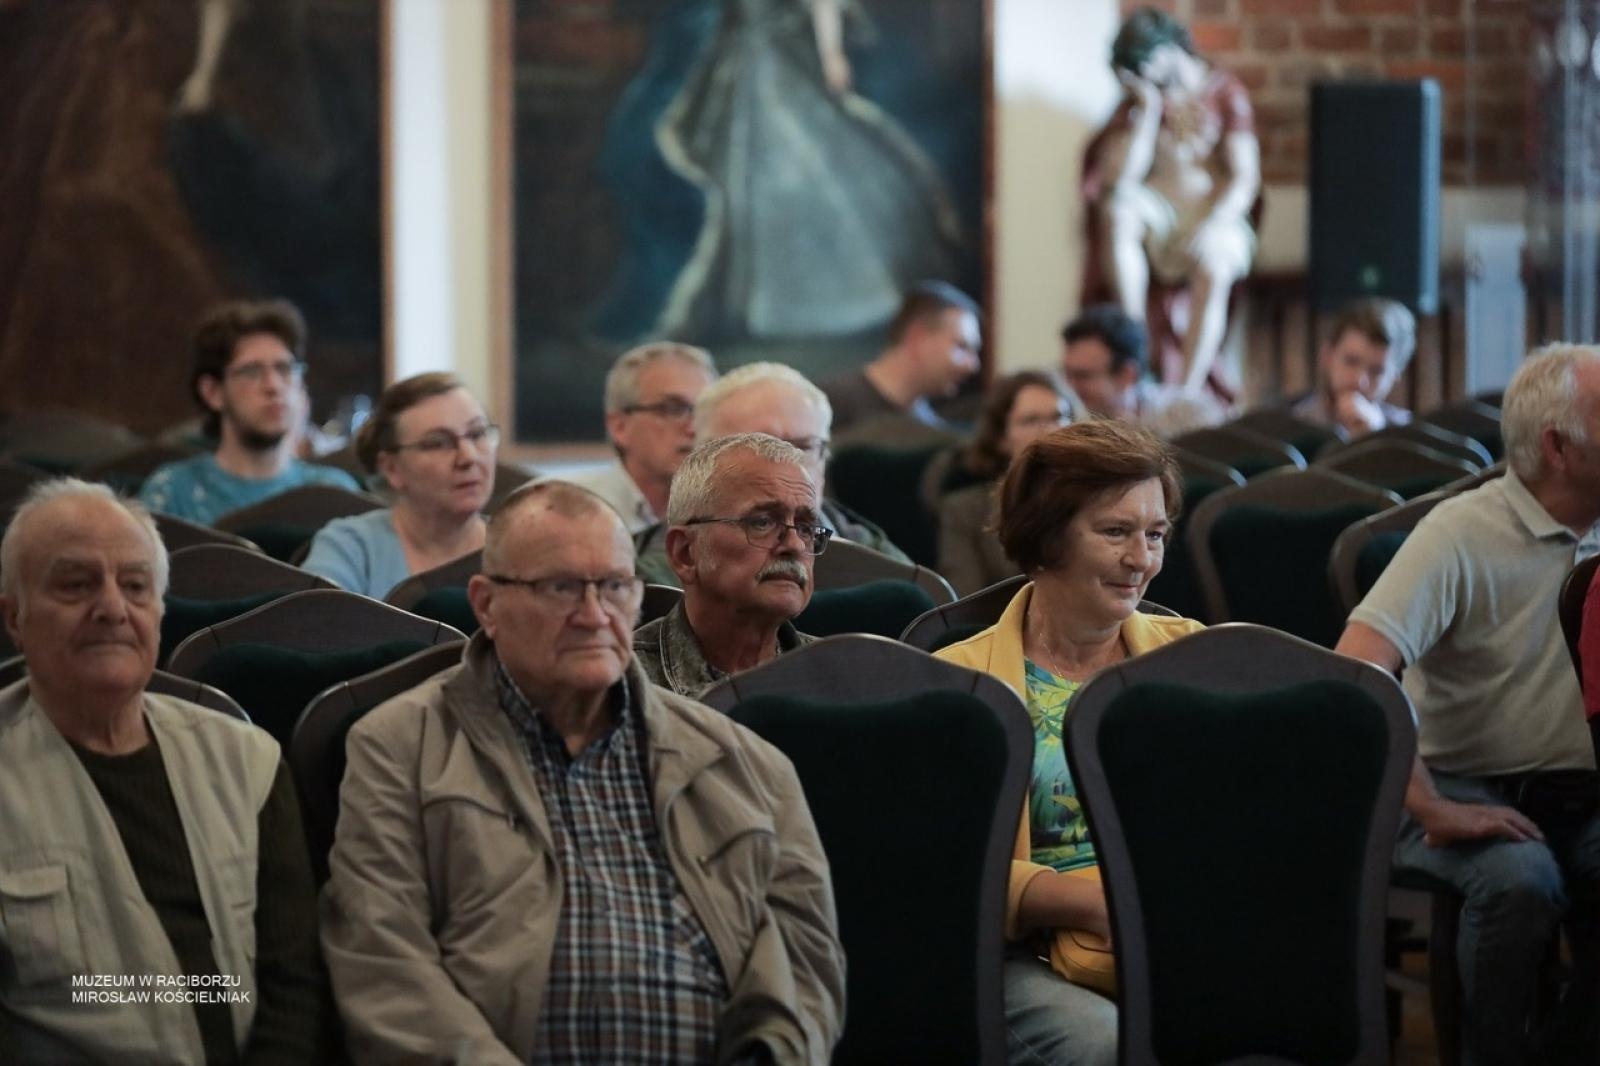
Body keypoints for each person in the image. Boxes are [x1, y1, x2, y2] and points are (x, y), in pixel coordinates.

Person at [321, 479, 845, 1064]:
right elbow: (383, 963)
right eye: (561, 587)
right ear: (486, 604)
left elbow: (805, 965)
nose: (593, 615)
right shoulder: (401, 746)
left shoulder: (745, 762)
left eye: (615, 587)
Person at [1335, 344, 1600, 1066]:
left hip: (1586, 792)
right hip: (1465, 785)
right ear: (1560, 447)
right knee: (1521, 882)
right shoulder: (1459, 533)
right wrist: (1428, 805)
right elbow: (1355, 673)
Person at [0, 479, 326, 1063]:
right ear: (14, 618)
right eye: (76, 585)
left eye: (135, 586)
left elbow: (293, 985)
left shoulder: (246, 760)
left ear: (158, 611)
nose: (111, 608)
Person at [935, 421, 1202, 1066]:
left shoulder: (1195, 654)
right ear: (1046, 535)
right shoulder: (954, 682)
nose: (1142, 560)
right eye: (1115, 532)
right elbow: (935, 866)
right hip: (1019, 956)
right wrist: (1080, 900)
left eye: (1156, 534)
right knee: (1101, 1046)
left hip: (1182, 936)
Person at [621, 0, 960, 342]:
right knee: (746, 176)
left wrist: (831, 53)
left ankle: (836, 296)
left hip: (779, 61)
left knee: (800, 158)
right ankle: (752, 302)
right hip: (742, 62)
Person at [1086, 7, 1260, 395]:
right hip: (1160, 213)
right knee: (1117, 212)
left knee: (1215, 265)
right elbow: (1119, 180)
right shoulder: (1142, 99)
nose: (1143, 75)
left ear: (1168, 49)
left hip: (1213, 212)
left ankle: (1188, 388)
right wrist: (1146, 111)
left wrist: (1215, 222)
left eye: (1146, 63)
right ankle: (1137, 345)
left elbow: (1244, 176)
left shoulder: (1223, 92)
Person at [634, 361, 909, 586]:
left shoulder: (891, 574)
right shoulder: (643, 579)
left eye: (804, 447)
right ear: (700, 459)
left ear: (825, 457)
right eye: (763, 447)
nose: (789, 468)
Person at [634, 434, 827, 698]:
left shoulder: (846, 677)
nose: (794, 545)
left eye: (806, 528)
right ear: (685, 553)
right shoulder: (622, 687)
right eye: (762, 522)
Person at [139, 299, 363, 525]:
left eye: (284, 369)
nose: (273, 386)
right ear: (213, 392)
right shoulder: (172, 493)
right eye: (252, 371)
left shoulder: (333, 493)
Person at [301, 373, 497, 598]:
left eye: (477, 433)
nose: (468, 457)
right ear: (391, 468)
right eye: (438, 443)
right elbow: (315, 626)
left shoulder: (520, 548)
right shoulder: (352, 547)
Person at [936, 370, 1070, 596]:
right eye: (1031, 420)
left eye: (1058, 417)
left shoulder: (1095, 502)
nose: (1050, 430)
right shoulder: (964, 510)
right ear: (1001, 438)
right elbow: (962, 606)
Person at [567, 341, 718, 534]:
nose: (693, 427)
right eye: (672, 409)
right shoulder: (569, 511)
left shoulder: (731, 513)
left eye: (704, 410)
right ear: (620, 427)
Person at [820, 281, 982, 442]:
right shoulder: (825, 406)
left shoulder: (933, 434)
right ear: (917, 337)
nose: (973, 365)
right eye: (962, 347)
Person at [1060, 305, 1223, 438]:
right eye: (1067, 374)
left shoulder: (1189, 415)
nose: (1068, 386)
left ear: (1126, 375)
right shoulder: (1065, 425)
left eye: (1083, 376)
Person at [1290, 297, 1418, 438]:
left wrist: (1377, 437)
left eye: (1376, 371)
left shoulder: (1411, 437)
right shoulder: (1286, 428)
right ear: (1327, 356)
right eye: (1351, 361)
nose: (1359, 381)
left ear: (1395, 376)